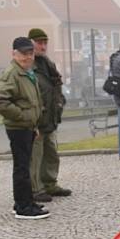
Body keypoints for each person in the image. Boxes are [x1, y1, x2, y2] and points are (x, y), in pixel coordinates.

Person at [0, 37, 48, 219]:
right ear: (14, 54)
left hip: (27, 127)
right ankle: (23, 207)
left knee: (25, 166)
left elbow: (32, 102)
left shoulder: (26, 72)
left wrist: (33, 125)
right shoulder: (12, 74)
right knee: (22, 168)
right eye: (23, 53)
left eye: (30, 53)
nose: (28, 57)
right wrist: (22, 117)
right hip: (18, 128)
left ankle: (24, 201)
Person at [27, 28, 71, 203]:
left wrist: (60, 102)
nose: (43, 46)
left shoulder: (47, 63)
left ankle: (50, 184)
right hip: (36, 119)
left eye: (45, 43)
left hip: (51, 118)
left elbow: (56, 85)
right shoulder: (29, 65)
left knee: (51, 153)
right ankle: (36, 189)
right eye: (39, 43)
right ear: (31, 43)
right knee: (35, 157)